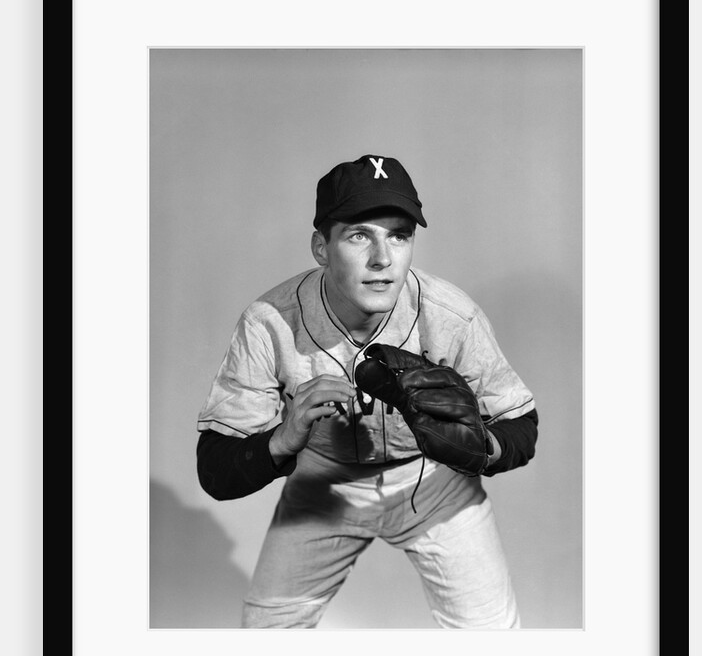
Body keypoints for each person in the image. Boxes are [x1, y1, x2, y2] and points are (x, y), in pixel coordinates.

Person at [196, 153, 538, 629]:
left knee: (494, 648)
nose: (383, 258)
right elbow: (214, 469)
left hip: (436, 490)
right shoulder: (270, 321)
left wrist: (485, 447)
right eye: (360, 235)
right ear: (321, 247)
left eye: (399, 235)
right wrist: (281, 440)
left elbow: (522, 424)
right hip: (324, 486)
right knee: (267, 642)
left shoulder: (451, 314)